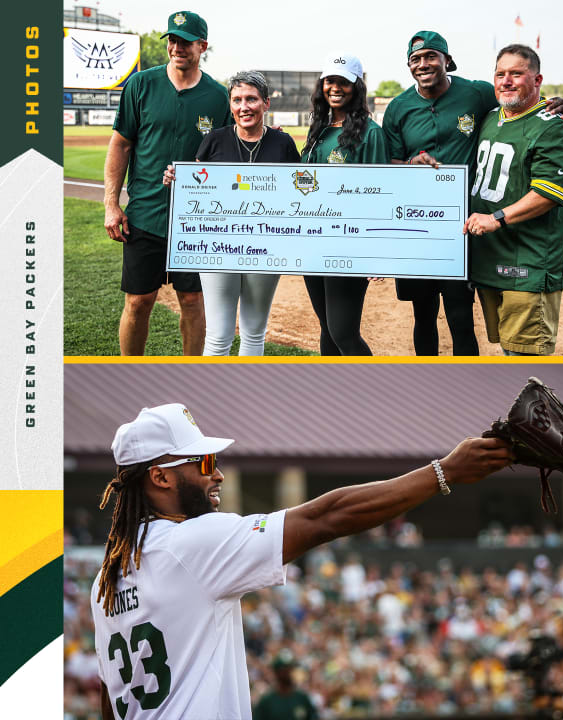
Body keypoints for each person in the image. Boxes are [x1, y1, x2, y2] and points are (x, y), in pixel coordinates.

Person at [92, 403, 513, 719]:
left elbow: (113, 699)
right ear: (160, 477)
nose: (216, 474)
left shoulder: (105, 579)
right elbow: (325, 518)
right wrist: (446, 472)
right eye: (204, 463)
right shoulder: (189, 545)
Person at [105, 11, 229, 356]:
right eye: (172, 40)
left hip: (196, 220)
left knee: (191, 300)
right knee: (138, 301)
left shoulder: (218, 96)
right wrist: (111, 203)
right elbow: (121, 143)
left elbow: (225, 157)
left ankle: (192, 377)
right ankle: (130, 375)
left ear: (202, 46)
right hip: (145, 212)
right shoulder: (141, 84)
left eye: (185, 41)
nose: (176, 47)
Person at [161, 71, 300, 356]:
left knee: (253, 333)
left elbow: (297, 194)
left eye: (251, 99)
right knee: (218, 335)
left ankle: (246, 397)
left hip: (266, 246)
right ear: (230, 105)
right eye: (237, 100)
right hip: (218, 247)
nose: (244, 106)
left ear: (266, 104)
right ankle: (214, 398)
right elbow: (195, 187)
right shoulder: (214, 140)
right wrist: (178, 179)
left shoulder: (282, 143)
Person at [380, 31, 493, 357]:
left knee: (460, 317)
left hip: (460, 225)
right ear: (409, 66)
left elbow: (516, 109)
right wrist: (411, 163)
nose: (423, 63)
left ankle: (469, 388)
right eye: (415, 59)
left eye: (431, 56)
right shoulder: (399, 107)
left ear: (447, 60)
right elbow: (391, 165)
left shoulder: (476, 93)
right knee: (423, 315)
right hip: (417, 226)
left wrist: (550, 106)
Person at [464, 45, 563, 356]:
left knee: (524, 356)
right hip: (489, 257)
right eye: (501, 74)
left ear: (537, 79)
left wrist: (496, 218)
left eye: (517, 73)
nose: (507, 81)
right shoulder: (490, 117)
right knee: (507, 347)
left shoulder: (554, 127)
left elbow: (547, 195)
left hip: (527, 260)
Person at [300, 54, 389, 355]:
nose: (335, 87)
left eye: (343, 82)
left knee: (343, 332)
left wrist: (376, 251)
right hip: (313, 242)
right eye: (330, 81)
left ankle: (373, 392)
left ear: (357, 87)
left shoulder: (370, 133)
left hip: (347, 243)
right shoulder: (320, 128)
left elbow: (380, 194)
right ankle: (332, 393)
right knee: (327, 329)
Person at [253, 652, 317, 720]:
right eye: (285, 670)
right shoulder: (266, 701)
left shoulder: (302, 698)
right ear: (276, 673)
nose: (289, 673)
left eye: (291, 669)